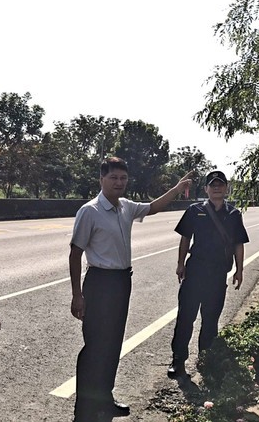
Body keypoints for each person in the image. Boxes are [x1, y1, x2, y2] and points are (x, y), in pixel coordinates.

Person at [69, 157, 192, 422]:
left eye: (123, 178)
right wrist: (77, 294)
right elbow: (75, 253)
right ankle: (84, 408)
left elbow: (154, 207)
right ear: (101, 179)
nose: (119, 183)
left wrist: (177, 187)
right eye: (113, 177)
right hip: (99, 283)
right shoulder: (89, 211)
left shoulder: (126, 207)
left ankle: (105, 397)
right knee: (94, 346)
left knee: (113, 344)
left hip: (122, 282)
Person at [167, 170, 249, 377]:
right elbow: (185, 238)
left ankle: (206, 361)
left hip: (218, 273)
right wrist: (180, 264)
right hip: (195, 271)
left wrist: (239, 270)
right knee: (186, 317)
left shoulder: (233, 214)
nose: (216, 187)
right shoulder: (195, 211)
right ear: (206, 189)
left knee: (211, 320)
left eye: (220, 184)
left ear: (226, 188)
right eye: (212, 184)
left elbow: (238, 243)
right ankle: (178, 361)